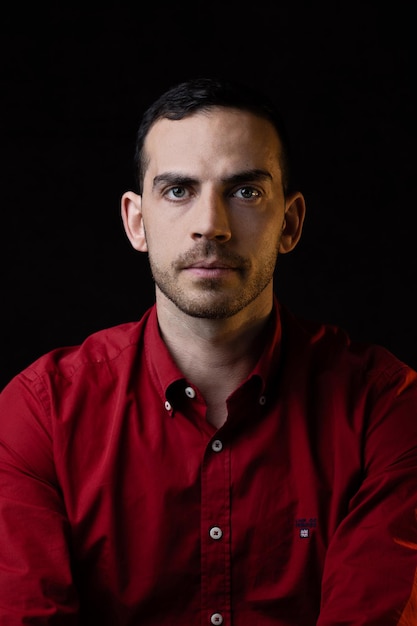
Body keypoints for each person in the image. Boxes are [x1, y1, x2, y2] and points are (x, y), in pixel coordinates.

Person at [1, 77, 417, 626]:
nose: (210, 226)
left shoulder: (383, 408)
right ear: (135, 221)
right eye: (178, 191)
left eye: (245, 191)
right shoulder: (41, 413)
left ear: (289, 222)